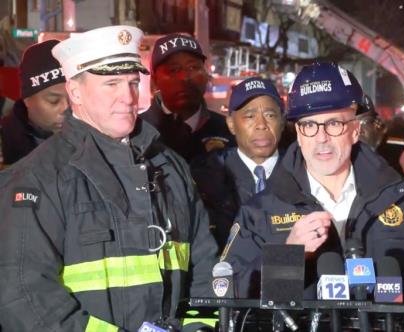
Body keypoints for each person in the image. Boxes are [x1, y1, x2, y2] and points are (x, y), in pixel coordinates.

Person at [0, 26, 217, 332]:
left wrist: (201, 329)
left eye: (132, 82)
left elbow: (206, 269)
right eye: (111, 83)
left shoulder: (172, 168)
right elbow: (23, 295)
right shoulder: (35, 179)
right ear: (74, 91)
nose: (127, 97)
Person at [222, 62, 404, 298]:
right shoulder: (261, 209)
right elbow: (229, 292)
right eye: (309, 125)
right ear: (298, 132)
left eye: (334, 124)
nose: (321, 138)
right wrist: (288, 254)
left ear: (355, 130)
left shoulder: (399, 199)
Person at [191, 76, 286, 252]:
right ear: (231, 124)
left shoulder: (302, 171)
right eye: (249, 116)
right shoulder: (205, 175)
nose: (261, 125)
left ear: (282, 122)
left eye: (270, 115)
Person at [140, 33, 234, 162]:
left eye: (193, 67)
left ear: (206, 74)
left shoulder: (228, 131)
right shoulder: (137, 131)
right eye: (173, 70)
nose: (185, 77)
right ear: (155, 79)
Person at [1, 40, 68, 165]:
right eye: (54, 101)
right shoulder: (5, 144)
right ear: (27, 100)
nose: (66, 109)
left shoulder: (94, 137)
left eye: (73, 99)